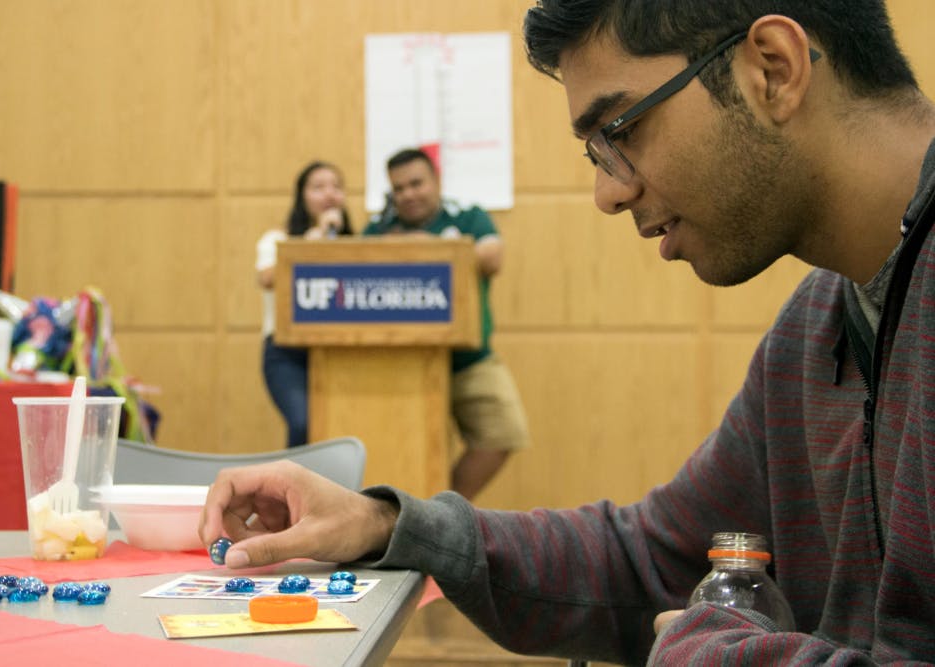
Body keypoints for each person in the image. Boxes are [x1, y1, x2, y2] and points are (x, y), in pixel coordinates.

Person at [204, 1, 935, 663]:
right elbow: (648, 564)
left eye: (622, 130)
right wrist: (383, 522)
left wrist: (709, 653)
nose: (608, 192)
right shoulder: (814, 328)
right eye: (596, 154)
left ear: (772, 68)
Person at [363, 148, 530, 500]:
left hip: (470, 357)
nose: (408, 194)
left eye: (416, 183)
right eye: (399, 188)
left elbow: (492, 255)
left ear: (436, 181)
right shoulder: (379, 228)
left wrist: (433, 248)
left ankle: (442, 512)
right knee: (408, 448)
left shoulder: (467, 216)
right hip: (401, 365)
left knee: (503, 432)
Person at [256, 161, 354, 448]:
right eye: (318, 187)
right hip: (286, 354)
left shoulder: (355, 246)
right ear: (302, 196)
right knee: (304, 423)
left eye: (336, 187)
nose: (329, 194)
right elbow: (267, 278)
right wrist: (311, 245)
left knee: (341, 429)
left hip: (341, 349)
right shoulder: (278, 239)